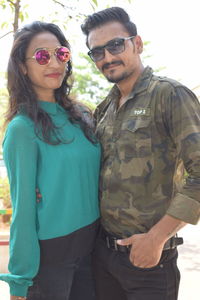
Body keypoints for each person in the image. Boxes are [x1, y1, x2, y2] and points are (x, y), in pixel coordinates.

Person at [81, 6, 200, 300]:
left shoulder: (170, 95)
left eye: (115, 45)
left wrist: (156, 239)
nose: (107, 57)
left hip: (150, 260)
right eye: (97, 52)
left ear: (138, 43)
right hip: (103, 256)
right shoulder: (104, 110)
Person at [0, 21, 101, 300]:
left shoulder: (81, 116)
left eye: (61, 54)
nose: (54, 62)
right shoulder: (22, 128)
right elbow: (23, 208)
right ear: (22, 66)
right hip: (52, 255)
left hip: (93, 246)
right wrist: (19, 279)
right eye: (42, 56)